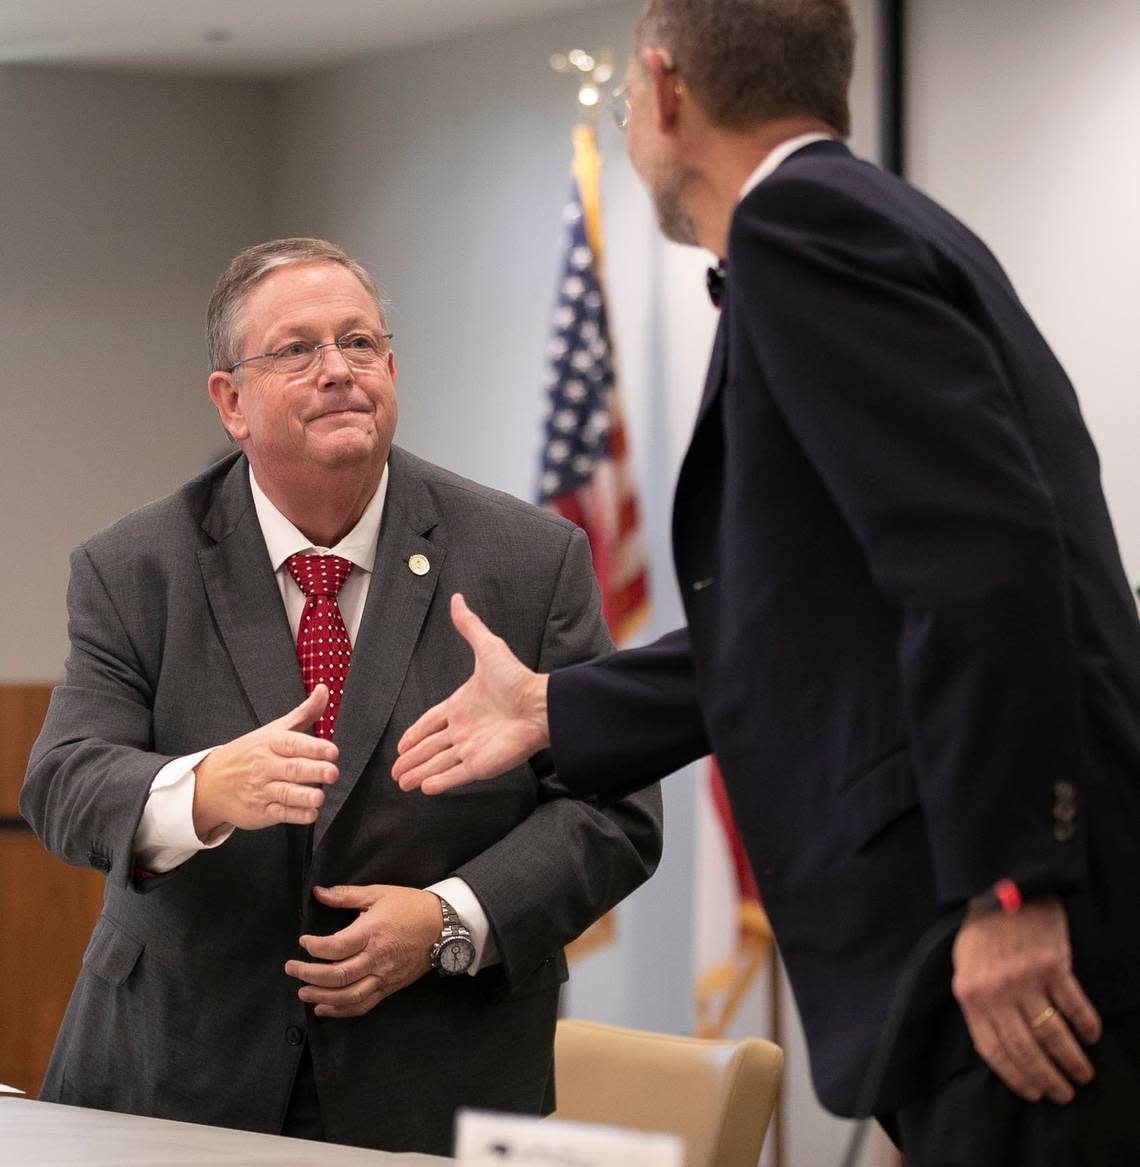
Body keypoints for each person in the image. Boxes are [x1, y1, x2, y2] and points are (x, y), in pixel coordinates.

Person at [392, 1, 1140, 1162]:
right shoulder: (866, 222)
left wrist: (1011, 888)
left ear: (667, 91)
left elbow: (982, 562)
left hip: (1009, 923)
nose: (633, 123)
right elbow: (812, 620)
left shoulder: (805, 231)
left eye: (629, 102)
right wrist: (555, 708)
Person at [20, 237, 663, 1156]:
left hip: (435, 1074)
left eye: (359, 344)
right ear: (230, 401)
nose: (338, 370)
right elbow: (64, 783)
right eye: (296, 350)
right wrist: (203, 789)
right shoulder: (136, 569)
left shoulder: (529, 560)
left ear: (391, 369)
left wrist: (448, 918)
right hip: (175, 1073)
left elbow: (615, 807)